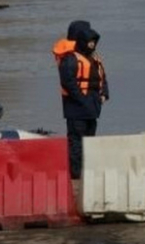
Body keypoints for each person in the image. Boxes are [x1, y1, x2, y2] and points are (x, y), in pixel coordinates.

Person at [56, 25, 109, 179]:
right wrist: (82, 99)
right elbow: (68, 82)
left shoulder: (95, 58)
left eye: (94, 41)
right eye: (90, 41)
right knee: (76, 143)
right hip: (76, 108)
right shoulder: (70, 59)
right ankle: (76, 174)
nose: (92, 44)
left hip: (92, 108)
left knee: (89, 141)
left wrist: (104, 94)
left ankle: (86, 171)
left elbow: (102, 79)